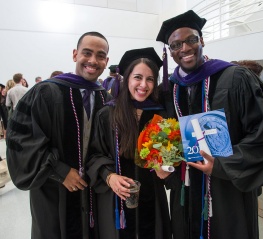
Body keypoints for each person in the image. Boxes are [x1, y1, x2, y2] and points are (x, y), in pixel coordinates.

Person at [156, 10, 263, 239]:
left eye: (191, 40)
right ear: (170, 51)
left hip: (227, 188)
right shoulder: (169, 89)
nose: (185, 48)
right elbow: (166, 136)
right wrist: (165, 163)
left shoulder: (236, 78)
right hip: (186, 188)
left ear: (202, 40)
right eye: (176, 44)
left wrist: (222, 163)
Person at [6, 31, 112, 239]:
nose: (93, 60)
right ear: (75, 54)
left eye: (100, 55)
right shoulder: (46, 92)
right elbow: (21, 140)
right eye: (87, 53)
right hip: (53, 189)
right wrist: (60, 170)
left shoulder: (105, 98)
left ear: (106, 61)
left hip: (93, 192)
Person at [87, 47, 172, 239]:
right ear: (126, 78)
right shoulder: (107, 114)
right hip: (117, 200)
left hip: (152, 200)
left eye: (150, 79)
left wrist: (167, 168)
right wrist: (109, 177)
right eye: (138, 77)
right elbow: (94, 155)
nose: (144, 85)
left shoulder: (161, 115)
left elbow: (169, 158)